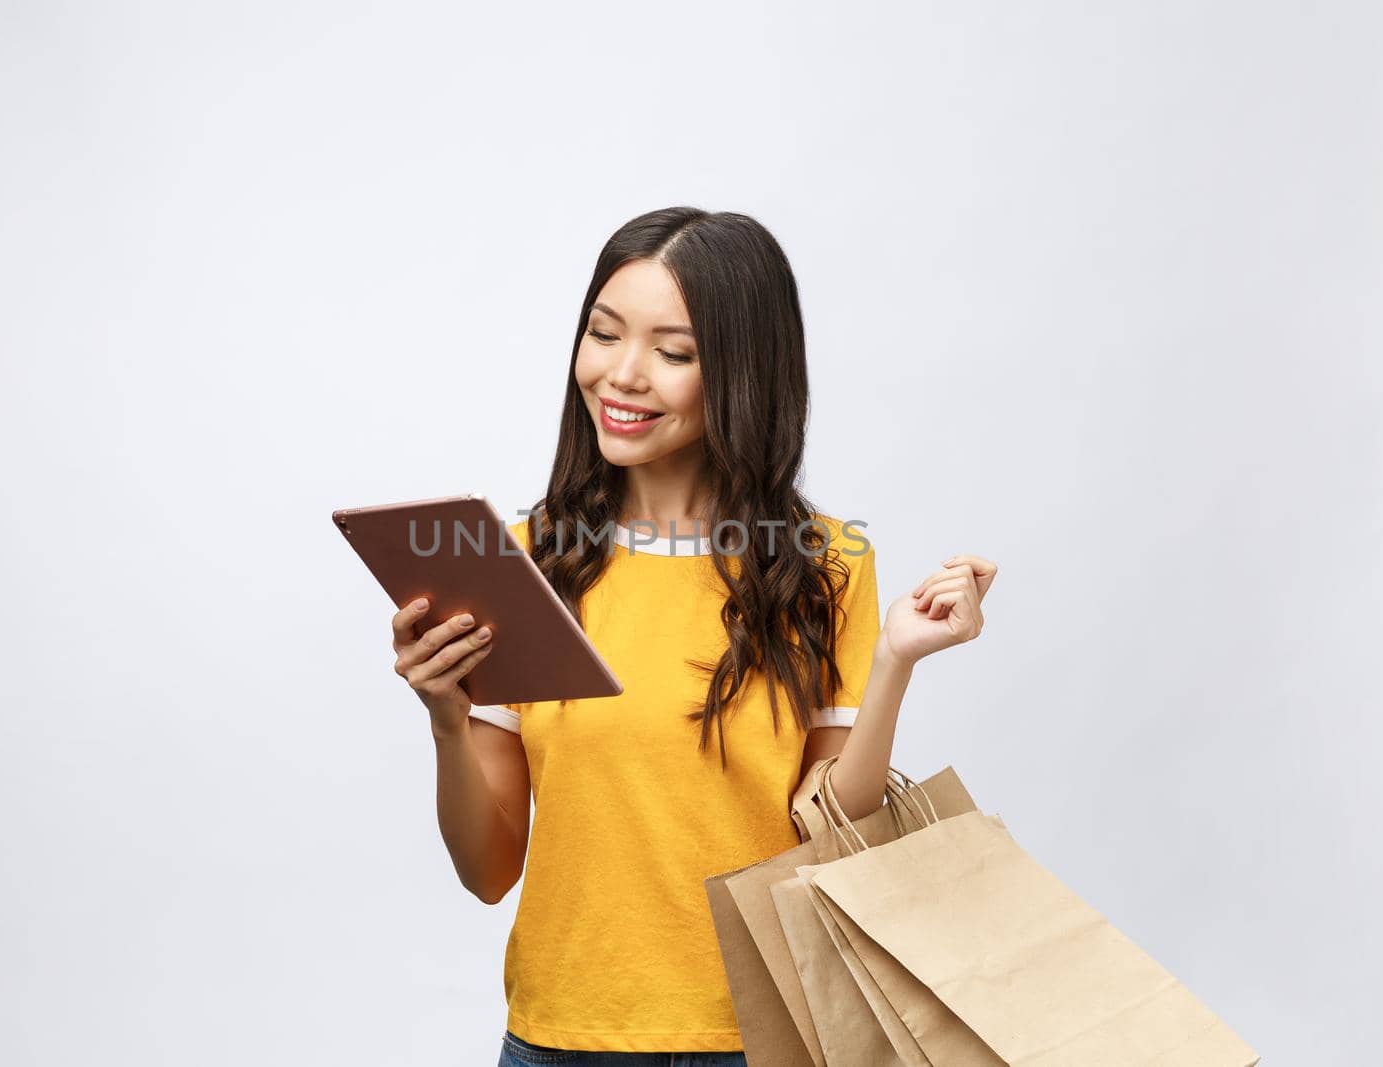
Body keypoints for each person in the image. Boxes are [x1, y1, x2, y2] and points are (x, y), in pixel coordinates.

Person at [388, 207, 997, 1066]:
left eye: (673, 352)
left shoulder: (824, 564)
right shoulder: (524, 567)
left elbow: (830, 837)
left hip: (766, 1037)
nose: (621, 375)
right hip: (561, 1038)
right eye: (604, 334)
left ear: (743, 376)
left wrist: (894, 660)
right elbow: (488, 872)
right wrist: (446, 720)